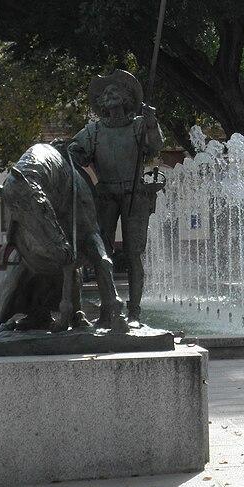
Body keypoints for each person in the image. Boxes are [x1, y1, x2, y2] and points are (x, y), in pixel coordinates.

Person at [69, 70, 164, 320]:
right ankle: (107, 308)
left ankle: (134, 311)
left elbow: (155, 147)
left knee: (134, 254)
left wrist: (152, 124)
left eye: (114, 91)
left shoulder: (139, 126)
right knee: (102, 254)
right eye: (104, 93)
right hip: (105, 196)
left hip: (135, 195)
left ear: (126, 99)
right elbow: (75, 151)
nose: (108, 95)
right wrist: (71, 151)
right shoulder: (94, 131)